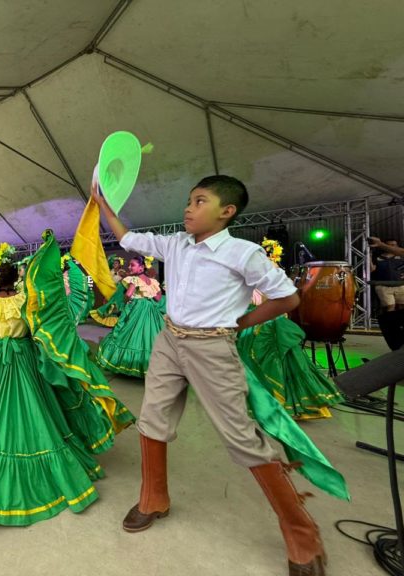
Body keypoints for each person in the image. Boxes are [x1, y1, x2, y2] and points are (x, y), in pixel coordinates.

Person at [93, 174, 342, 575]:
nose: (188, 208)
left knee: (242, 437)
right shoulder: (174, 243)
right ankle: (153, 498)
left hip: (212, 347)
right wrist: (102, 203)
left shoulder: (243, 254)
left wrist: (240, 323)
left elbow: (288, 297)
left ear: (226, 212)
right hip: (169, 341)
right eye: (189, 200)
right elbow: (127, 238)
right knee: (151, 420)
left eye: (199, 201)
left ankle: (300, 529)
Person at [0, 231, 134, 525]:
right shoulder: (24, 300)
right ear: (14, 278)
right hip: (25, 356)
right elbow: (40, 324)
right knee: (35, 407)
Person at [237, 239, 343, 420]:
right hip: (266, 323)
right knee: (283, 362)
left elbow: (267, 300)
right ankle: (292, 401)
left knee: (266, 362)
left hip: (264, 326)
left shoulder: (263, 273)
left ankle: (274, 402)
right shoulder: (273, 272)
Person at [95, 256, 165, 377]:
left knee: (129, 334)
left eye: (132, 265)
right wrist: (147, 294)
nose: (129, 267)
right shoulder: (152, 281)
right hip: (150, 310)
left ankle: (131, 364)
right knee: (149, 337)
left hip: (137, 309)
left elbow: (128, 294)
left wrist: (127, 300)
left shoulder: (134, 279)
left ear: (141, 267)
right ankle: (151, 366)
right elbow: (158, 298)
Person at [369, 238, 404, 312]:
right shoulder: (378, 257)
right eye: (389, 245)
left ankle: (400, 323)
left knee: (402, 306)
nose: (391, 247)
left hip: (400, 285)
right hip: (383, 286)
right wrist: (369, 258)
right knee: (390, 307)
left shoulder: (401, 256)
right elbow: (371, 269)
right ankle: (391, 323)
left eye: (393, 245)